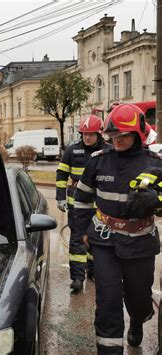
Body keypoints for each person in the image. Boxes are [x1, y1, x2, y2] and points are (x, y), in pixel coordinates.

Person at [73, 103, 162, 354]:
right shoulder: (98, 161)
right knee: (108, 300)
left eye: (122, 136)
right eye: (112, 137)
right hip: (105, 242)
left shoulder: (155, 163)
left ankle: (137, 320)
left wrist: (156, 202)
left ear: (138, 134)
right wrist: (81, 232)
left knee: (139, 299)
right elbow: (81, 200)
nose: (117, 141)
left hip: (141, 243)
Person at [56, 114, 111, 292]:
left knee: (97, 241)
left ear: (100, 134)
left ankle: (93, 271)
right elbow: (61, 174)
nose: (87, 137)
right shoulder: (72, 151)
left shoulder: (109, 152)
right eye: (84, 134)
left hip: (101, 207)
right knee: (78, 240)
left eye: (91, 134)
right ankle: (77, 278)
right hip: (77, 207)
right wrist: (60, 197)